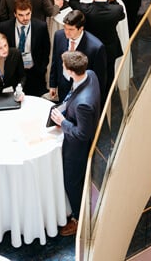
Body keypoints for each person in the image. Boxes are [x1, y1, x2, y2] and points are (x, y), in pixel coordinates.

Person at [49, 51, 101, 237]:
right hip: (73, 117)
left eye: (64, 66)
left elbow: (82, 134)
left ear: (71, 71)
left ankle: (79, 219)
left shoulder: (83, 104)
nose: (62, 68)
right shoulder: (91, 75)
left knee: (72, 182)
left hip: (76, 150)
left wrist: (63, 122)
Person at [69, 0, 124, 102]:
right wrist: (113, 0)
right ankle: (107, 99)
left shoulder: (86, 10)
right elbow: (122, 15)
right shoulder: (116, 9)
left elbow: (73, 1)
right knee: (109, 74)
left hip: (91, 51)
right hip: (110, 49)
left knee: (91, 75)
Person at [46, 10, 106, 103]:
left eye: (71, 29)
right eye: (65, 28)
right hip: (63, 86)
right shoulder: (59, 36)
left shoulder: (96, 47)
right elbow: (55, 61)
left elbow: (99, 79)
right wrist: (53, 85)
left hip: (83, 92)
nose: (66, 32)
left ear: (81, 28)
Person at [0, 0, 50, 96]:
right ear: (15, 14)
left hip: (34, 72)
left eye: (28, 14)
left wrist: (41, 68)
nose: (25, 18)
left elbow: (46, 49)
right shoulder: (5, 27)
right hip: (14, 72)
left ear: (31, 12)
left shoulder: (41, 27)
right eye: (21, 15)